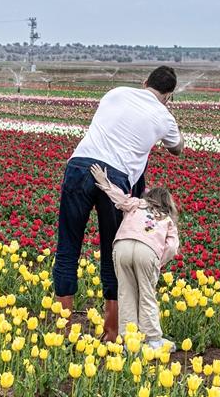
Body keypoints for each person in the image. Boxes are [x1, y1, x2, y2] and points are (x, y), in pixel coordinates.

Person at [52, 66, 184, 339]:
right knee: (113, 252)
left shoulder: (116, 92)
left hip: (79, 166)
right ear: (169, 95)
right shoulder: (164, 116)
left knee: (67, 249)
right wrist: (169, 117)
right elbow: (177, 148)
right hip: (115, 178)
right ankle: (111, 330)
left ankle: (62, 329)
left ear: (145, 82)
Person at [90, 164, 180, 350]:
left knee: (125, 293)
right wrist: (158, 261)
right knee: (146, 294)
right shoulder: (166, 219)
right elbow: (172, 247)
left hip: (122, 246)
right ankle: (152, 339)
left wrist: (105, 182)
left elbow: (119, 198)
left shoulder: (136, 204)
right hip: (147, 251)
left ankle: (129, 340)